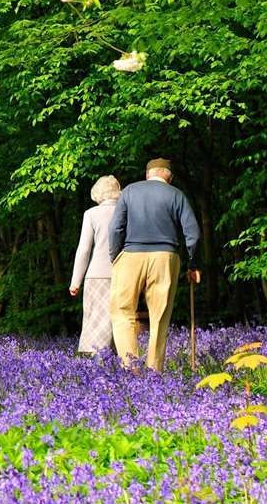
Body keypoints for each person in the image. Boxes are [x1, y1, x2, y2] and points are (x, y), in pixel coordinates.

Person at [108, 158, 202, 371]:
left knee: (122, 311)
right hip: (165, 257)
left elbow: (115, 229)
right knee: (160, 315)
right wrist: (193, 264)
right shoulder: (176, 195)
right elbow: (193, 235)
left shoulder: (130, 191)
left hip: (131, 255)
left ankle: (130, 368)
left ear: (147, 174)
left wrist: (114, 256)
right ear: (170, 177)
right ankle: (154, 372)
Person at [69, 175, 121, 356]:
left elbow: (84, 249)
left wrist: (76, 281)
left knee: (97, 320)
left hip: (97, 275)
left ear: (98, 193)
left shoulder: (91, 214)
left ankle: (97, 365)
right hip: (123, 273)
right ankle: (121, 364)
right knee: (120, 320)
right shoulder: (126, 212)